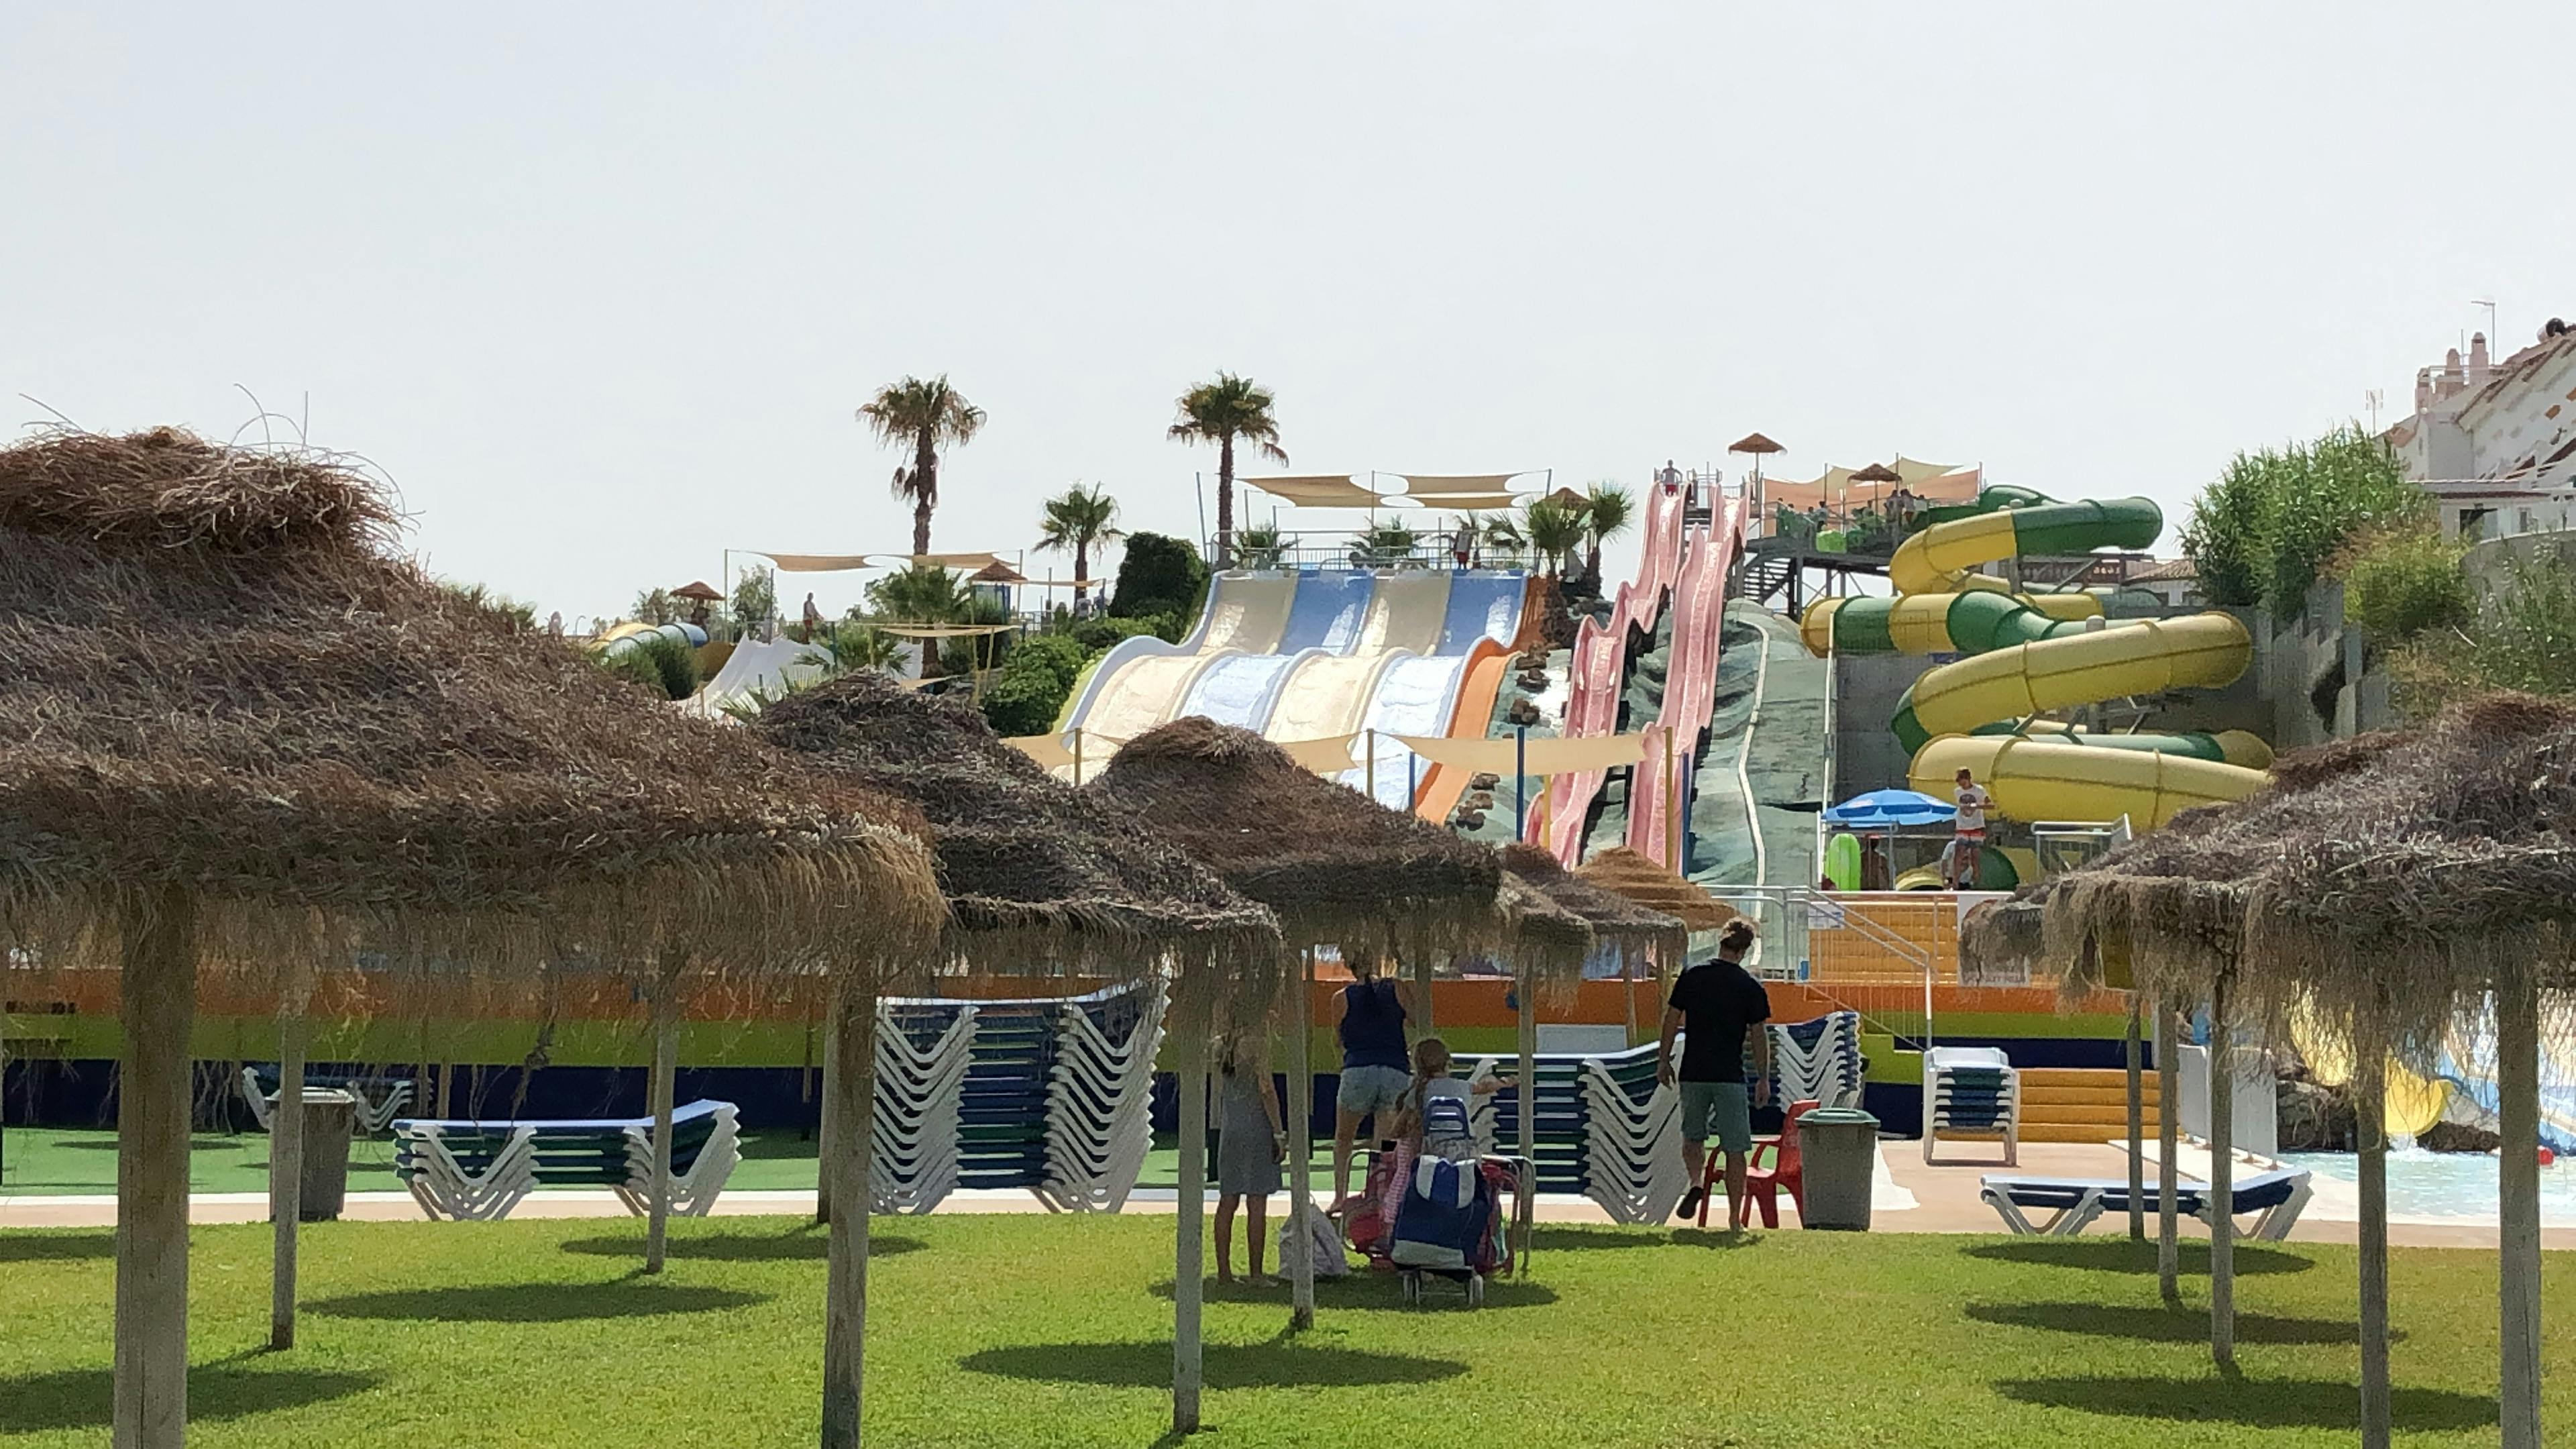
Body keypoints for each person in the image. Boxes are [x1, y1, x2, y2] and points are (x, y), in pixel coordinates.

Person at [1658, 920, 1774, 1226]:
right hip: (1729, 1076)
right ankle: (1734, 1217)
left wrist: (1663, 1059)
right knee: (1736, 1149)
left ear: (1720, 943)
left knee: (1692, 1137)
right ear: (1744, 951)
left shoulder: (1693, 975)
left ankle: (1696, 1181)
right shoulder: (1750, 987)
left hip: (1694, 1072)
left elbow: (1671, 1018)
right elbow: (1758, 1035)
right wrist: (1763, 1077)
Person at [1329, 952, 1414, 1210]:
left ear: (1350, 966)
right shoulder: (1397, 988)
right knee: (1386, 1140)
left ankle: (1340, 1196)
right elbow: (1415, 1020)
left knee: (1344, 1138)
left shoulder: (1341, 997)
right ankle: (1380, 1193)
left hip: (1358, 1068)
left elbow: (1338, 1039)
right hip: (1394, 1068)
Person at [1212, 1030, 1286, 1287]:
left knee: (1228, 1200)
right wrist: (1279, 1132)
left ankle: (1224, 1272)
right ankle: (1256, 1273)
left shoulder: (1222, 1045)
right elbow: (1267, 1090)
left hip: (1230, 1129)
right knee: (1257, 1202)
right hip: (1256, 1129)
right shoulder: (1258, 1044)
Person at [1393, 1036, 1513, 1162]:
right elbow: (1484, 1087)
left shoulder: (1420, 1091)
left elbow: (1399, 1126)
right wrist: (1504, 1082)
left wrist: (1391, 1138)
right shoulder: (1462, 1086)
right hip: (1467, 1150)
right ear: (1447, 1062)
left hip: (1433, 1152)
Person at [1947, 767, 1992, 890]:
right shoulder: (1957, 792)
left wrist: (1976, 806)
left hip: (1976, 826)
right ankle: (1955, 883)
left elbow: (1990, 805)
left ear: (1968, 779)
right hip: (1962, 826)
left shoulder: (1979, 790)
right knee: (1959, 853)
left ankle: (1976, 881)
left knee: (1974, 857)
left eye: (1962, 780)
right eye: (1958, 781)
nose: (1961, 783)